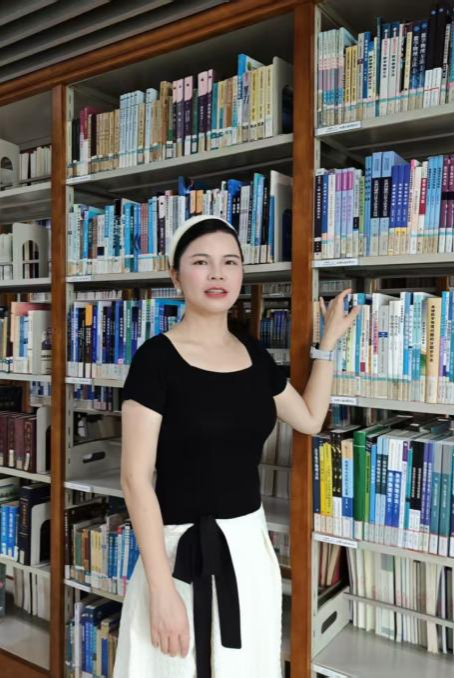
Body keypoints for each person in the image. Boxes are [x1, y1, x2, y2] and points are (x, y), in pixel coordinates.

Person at [113, 215, 360, 677]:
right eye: (201, 262)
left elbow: (309, 419)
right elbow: (135, 479)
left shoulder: (253, 356)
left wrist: (327, 344)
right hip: (176, 556)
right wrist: (161, 591)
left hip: (249, 549)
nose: (217, 274)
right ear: (175, 275)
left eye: (230, 262)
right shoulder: (154, 360)